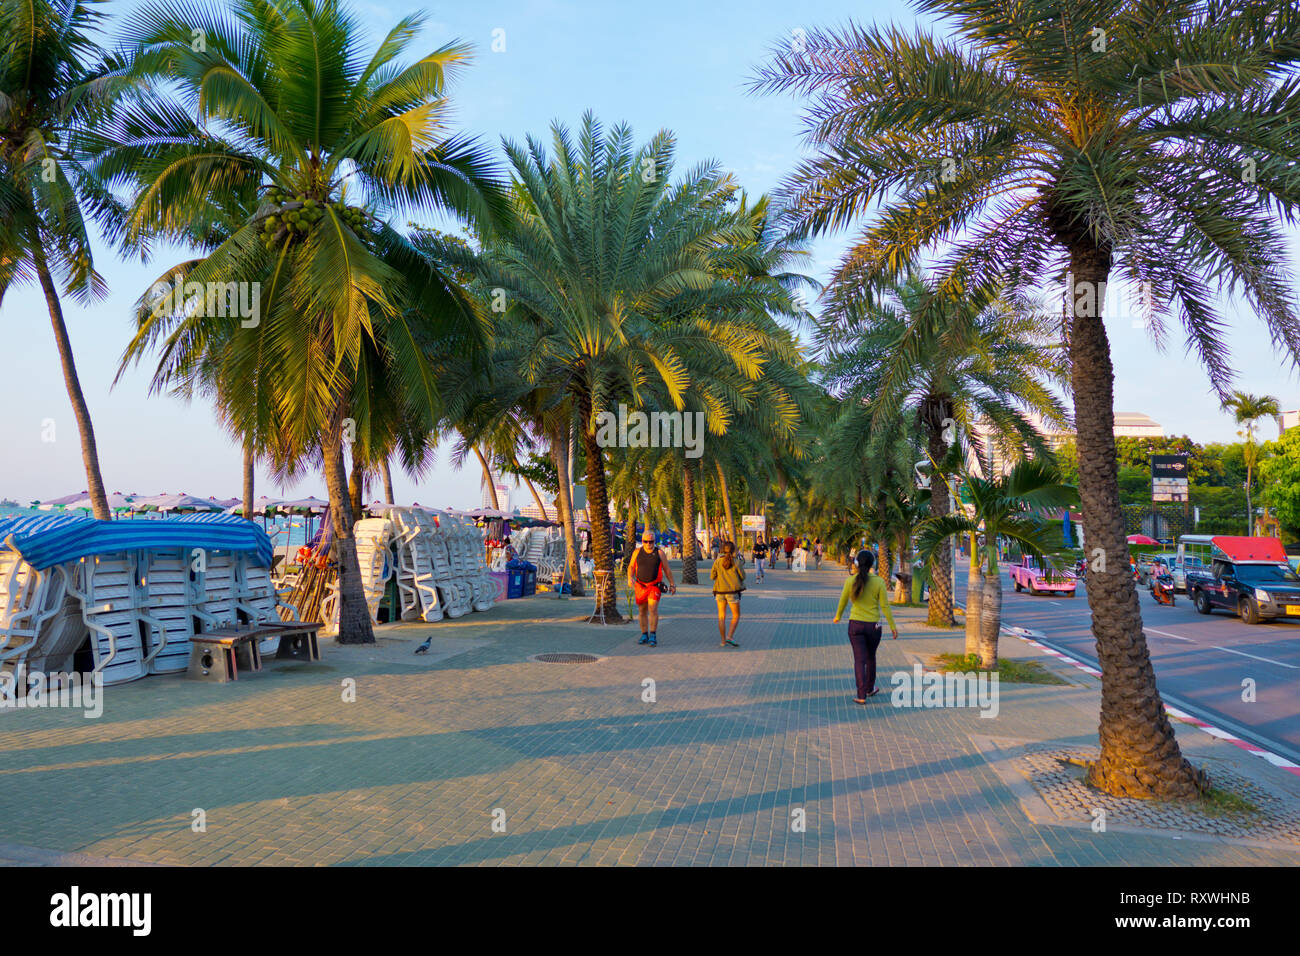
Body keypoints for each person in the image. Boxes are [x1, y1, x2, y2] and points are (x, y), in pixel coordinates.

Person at [832, 549, 898, 704]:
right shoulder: (879, 582)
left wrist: (838, 617)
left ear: (857, 563)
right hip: (874, 627)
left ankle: (861, 695)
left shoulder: (850, 581)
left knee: (859, 660)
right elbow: (885, 607)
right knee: (871, 657)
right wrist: (893, 627)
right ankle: (870, 688)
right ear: (872, 563)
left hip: (855, 625)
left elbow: (842, 601)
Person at [630, 530, 675, 646]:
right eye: (646, 541)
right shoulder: (637, 552)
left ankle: (653, 634)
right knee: (641, 611)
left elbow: (667, 569)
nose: (649, 544)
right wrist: (630, 577)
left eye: (651, 541)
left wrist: (672, 584)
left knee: (653, 608)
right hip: (640, 586)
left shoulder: (659, 553)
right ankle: (644, 634)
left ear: (654, 541)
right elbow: (631, 567)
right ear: (642, 541)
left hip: (654, 586)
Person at [710, 541, 745, 647]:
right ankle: (730, 636)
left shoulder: (717, 562)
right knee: (736, 615)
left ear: (722, 549)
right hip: (732, 592)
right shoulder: (737, 562)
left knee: (721, 616)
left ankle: (723, 641)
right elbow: (743, 576)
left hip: (719, 592)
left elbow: (712, 576)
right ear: (733, 550)